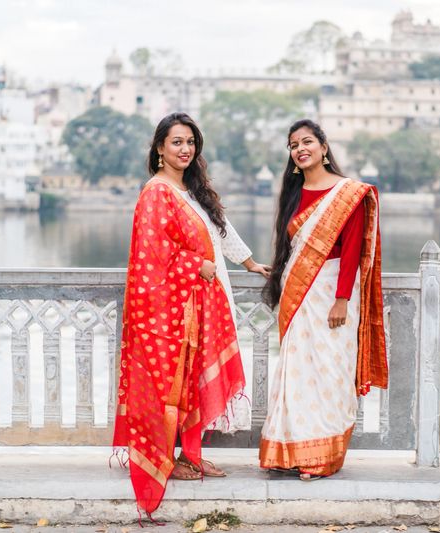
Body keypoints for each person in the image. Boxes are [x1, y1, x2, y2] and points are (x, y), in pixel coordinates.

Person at [113, 112, 270, 514]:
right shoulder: (156, 191)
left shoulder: (191, 190)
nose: (185, 149)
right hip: (173, 307)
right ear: (160, 149)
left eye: (190, 142)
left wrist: (249, 262)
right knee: (172, 382)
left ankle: (191, 455)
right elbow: (151, 253)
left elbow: (219, 230)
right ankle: (168, 458)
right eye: (177, 142)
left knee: (195, 381)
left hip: (204, 301)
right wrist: (192, 266)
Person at [259, 119, 387, 480]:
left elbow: (350, 254)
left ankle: (323, 458)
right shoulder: (294, 194)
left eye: (307, 142)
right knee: (297, 375)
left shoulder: (349, 193)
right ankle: (291, 452)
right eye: (293, 145)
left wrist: (342, 299)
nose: (301, 149)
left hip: (332, 293)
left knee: (330, 372)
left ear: (324, 147)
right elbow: (291, 246)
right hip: (298, 295)